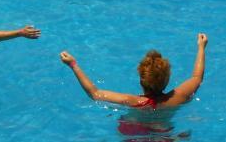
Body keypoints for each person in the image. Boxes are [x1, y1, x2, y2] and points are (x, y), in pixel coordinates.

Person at [59, 33, 208, 108]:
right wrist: (201, 47)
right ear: (166, 80)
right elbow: (197, 77)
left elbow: (94, 93)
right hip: (163, 136)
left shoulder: (133, 101)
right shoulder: (176, 98)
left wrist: (73, 64)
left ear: (141, 80)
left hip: (133, 135)